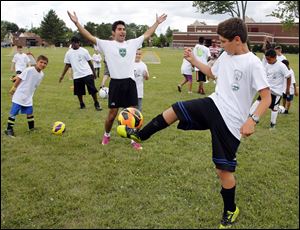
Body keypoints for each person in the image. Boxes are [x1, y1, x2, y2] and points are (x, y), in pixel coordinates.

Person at [117, 17, 271, 228]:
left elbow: (266, 97)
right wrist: (194, 62)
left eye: (223, 41)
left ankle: (230, 209)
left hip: (232, 122)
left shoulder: (253, 63)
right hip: (213, 104)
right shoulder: (226, 55)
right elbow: (211, 72)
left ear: (237, 39)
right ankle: (139, 134)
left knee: (223, 171)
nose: (220, 45)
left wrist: (252, 120)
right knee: (176, 109)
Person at [67, 11, 167, 150]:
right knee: (112, 114)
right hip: (116, 83)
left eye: (124, 29)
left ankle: (133, 139)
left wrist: (157, 22)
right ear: (113, 32)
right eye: (119, 29)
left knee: (132, 113)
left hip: (130, 83)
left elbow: (147, 34)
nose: (123, 31)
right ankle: (106, 134)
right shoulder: (106, 44)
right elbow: (88, 35)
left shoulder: (132, 43)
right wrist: (76, 22)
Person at [4, 55, 49, 137]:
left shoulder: (41, 74)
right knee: (14, 112)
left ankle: (31, 128)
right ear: (37, 62)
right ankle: (9, 129)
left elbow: (35, 85)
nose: (42, 64)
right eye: (41, 62)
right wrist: (14, 88)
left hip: (28, 96)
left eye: (45, 63)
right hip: (19, 95)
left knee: (30, 112)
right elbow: (19, 78)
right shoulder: (29, 70)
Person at [250, 49, 291, 129]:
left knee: (274, 108)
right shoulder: (268, 65)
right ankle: (252, 117)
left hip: (276, 92)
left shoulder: (281, 66)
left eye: (269, 59)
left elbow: (289, 76)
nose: (267, 61)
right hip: (267, 90)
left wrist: (288, 89)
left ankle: (273, 125)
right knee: (258, 102)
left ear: (275, 57)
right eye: (266, 59)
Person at [59, 36, 102, 111]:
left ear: (79, 43)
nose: (74, 45)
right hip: (77, 75)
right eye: (72, 43)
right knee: (79, 92)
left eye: (75, 43)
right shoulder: (69, 53)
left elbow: (90, 62)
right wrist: (62, 75)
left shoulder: (84, 51)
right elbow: (67, 65)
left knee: (92, 90)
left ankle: (96, 103)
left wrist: (94, 73)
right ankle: (82, 104)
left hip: (87, 73)